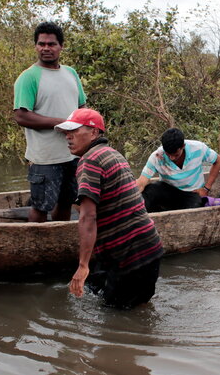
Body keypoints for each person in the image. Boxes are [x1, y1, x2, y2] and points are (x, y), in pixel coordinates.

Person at [55, 108, 164, 309]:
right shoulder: (113, 154)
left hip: (129, 257)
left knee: (117, 317)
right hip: (150, 247)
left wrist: (82, 266)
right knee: (138, 309)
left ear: (94, 133)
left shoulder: (89, 161)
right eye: (66, 132)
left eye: (74, 131)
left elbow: (88, 217)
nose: (67, 136)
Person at [13, 21, 87, 222]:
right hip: (45, 158)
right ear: (36, 46)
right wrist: (61, 123)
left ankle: (59, 244)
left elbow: (81, 107)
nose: (46, 48)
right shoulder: (29, 77)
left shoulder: (70, 73)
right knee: (41, 206)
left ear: (61, 46)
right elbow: (21, 116)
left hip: (72, 154)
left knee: (66, 202)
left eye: (51, 44)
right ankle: (36, 248)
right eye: (41, 44)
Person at [135, 128, 220, 212]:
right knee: (150, 189)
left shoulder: (198, 148)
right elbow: (141, 182)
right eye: (168, 154)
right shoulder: (158, 156)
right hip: (170, 192)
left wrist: (206, 188)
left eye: (176, 155)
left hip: (192, 193)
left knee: (194, 207)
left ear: (183, 146)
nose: (172, 158)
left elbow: (218, 161)